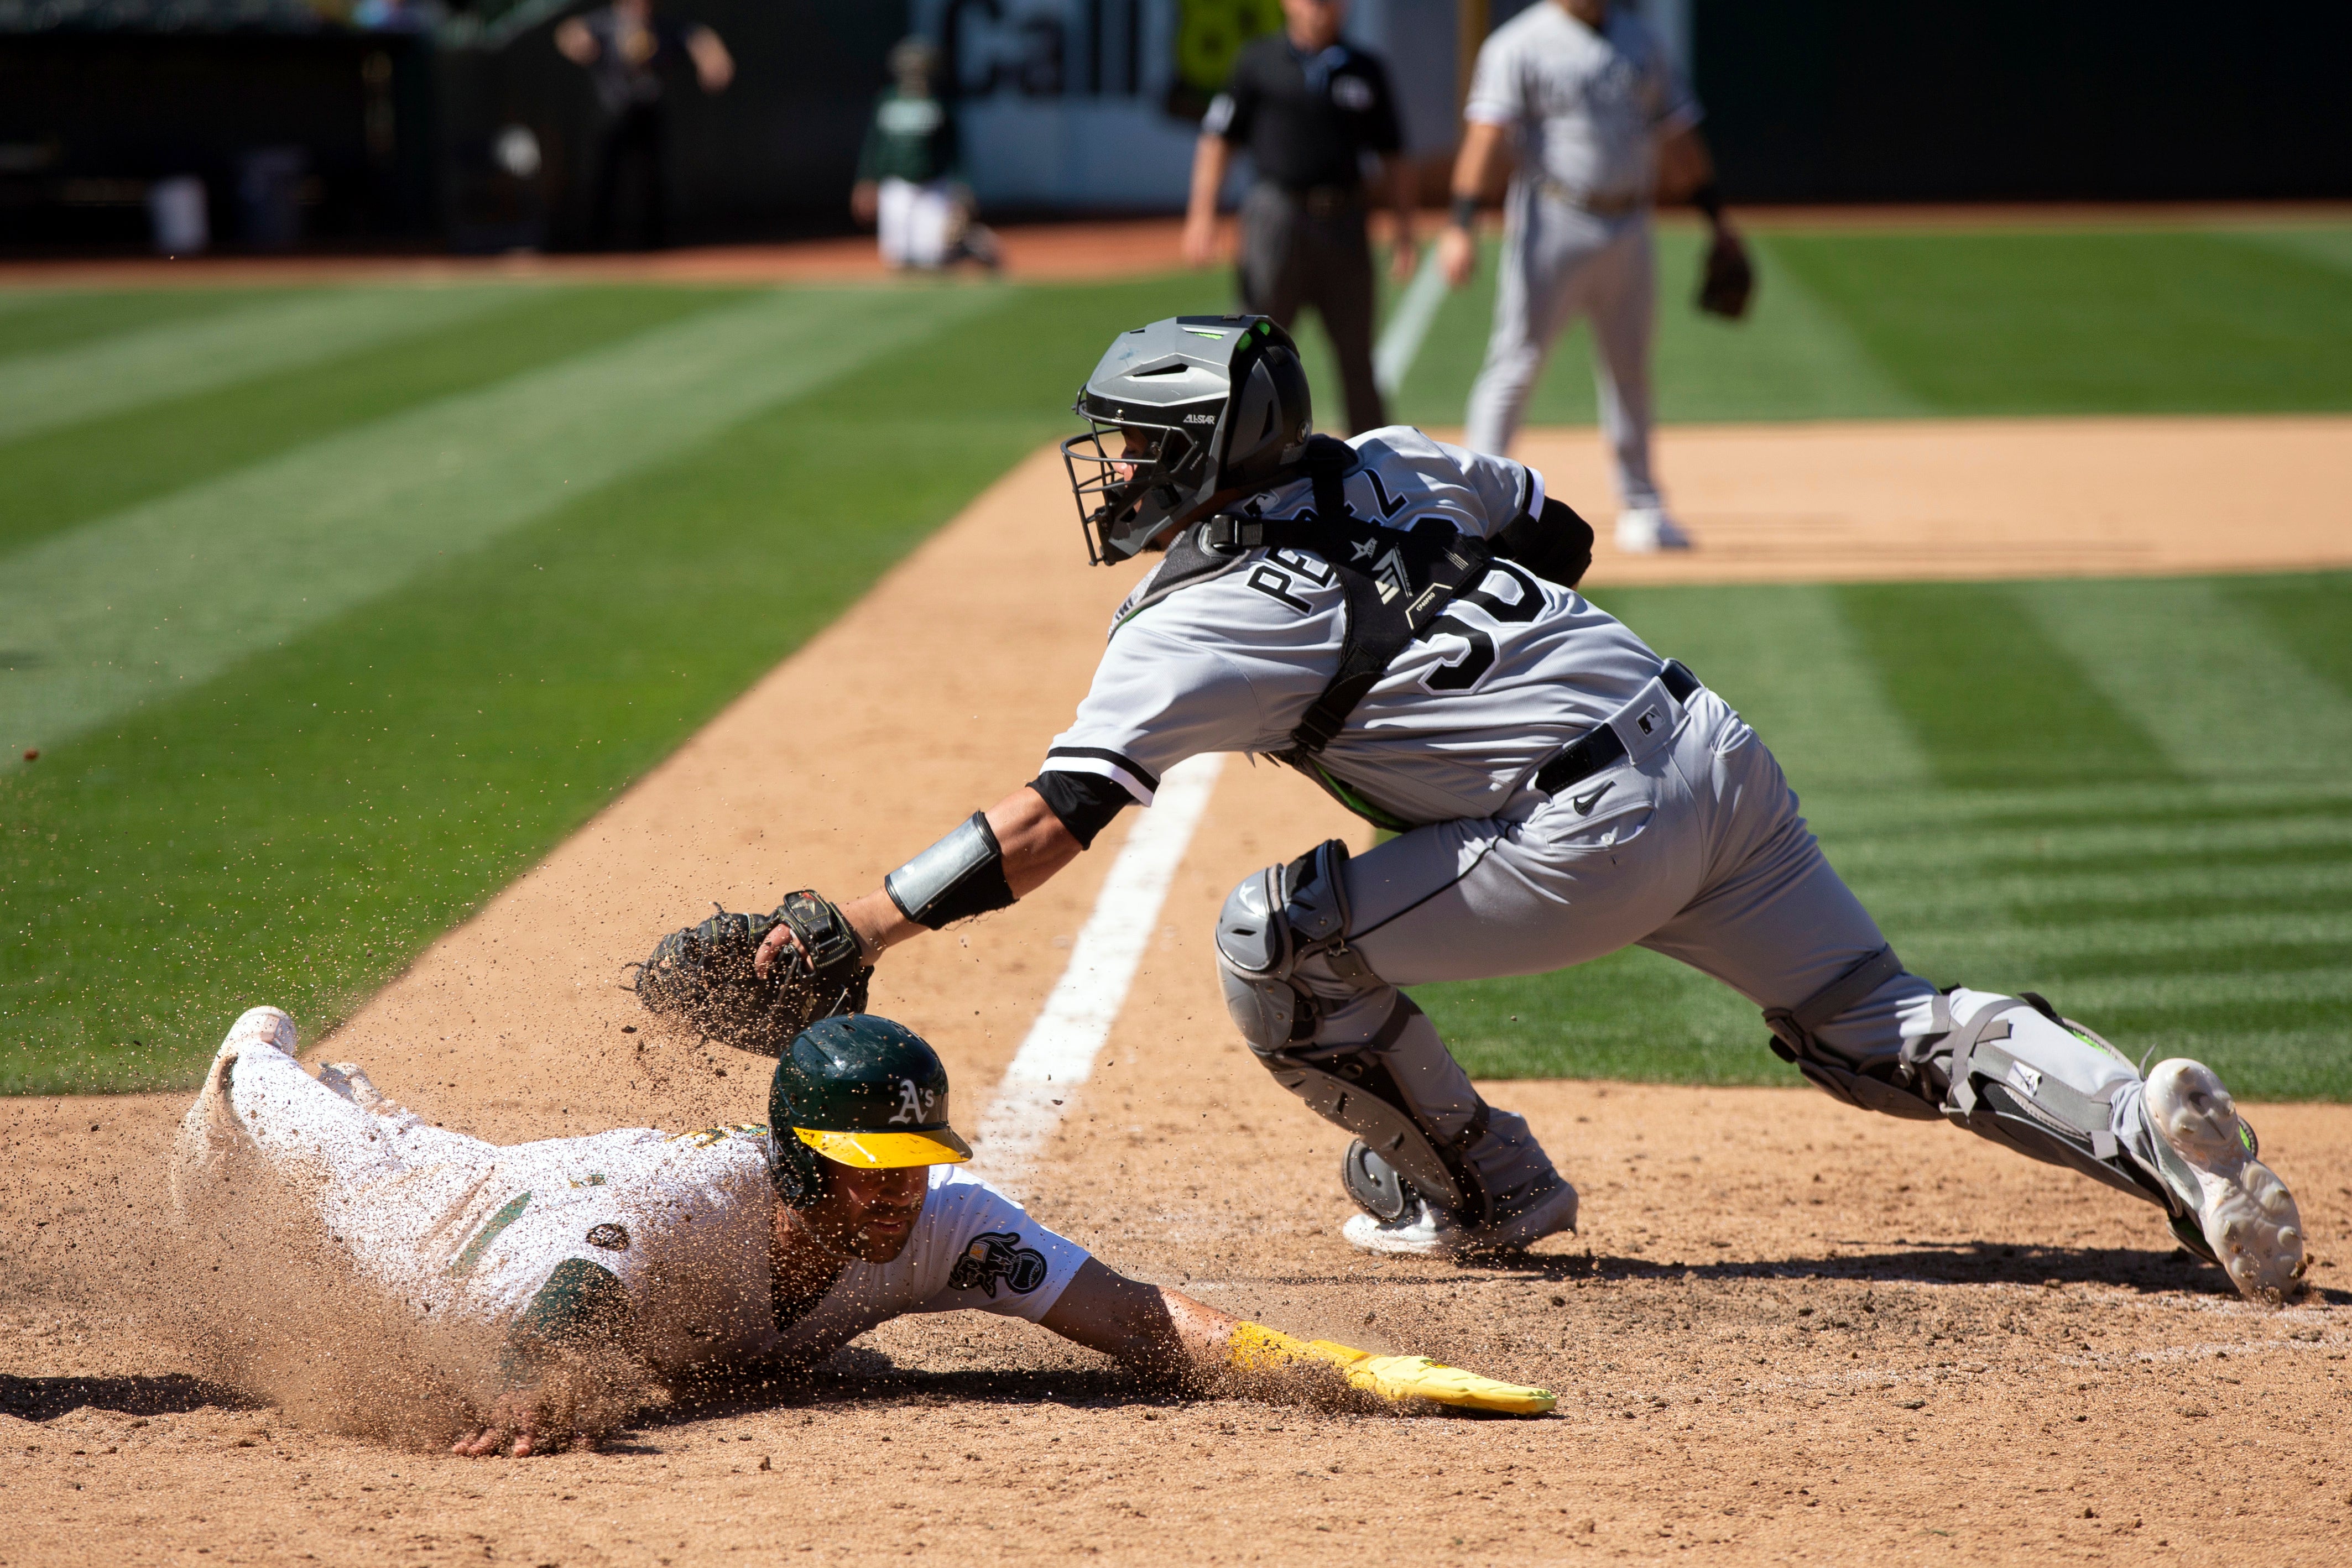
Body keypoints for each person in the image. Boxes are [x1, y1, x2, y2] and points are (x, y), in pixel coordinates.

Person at [749, 316, 2307, 1306]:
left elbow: (1055, 817)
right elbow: (1546, 520)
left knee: (1271, 942)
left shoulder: (1198, 615)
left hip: (1579, 834)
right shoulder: (1381, 462)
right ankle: (2142, 1122)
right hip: (1702, 741)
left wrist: (858, 920)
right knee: (1867, 1017)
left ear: (1205, 455)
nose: (1119, 473)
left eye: (1144, 446)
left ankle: (1479, 1188)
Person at [170, 1006, 1551, 1456]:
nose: (895, 1193)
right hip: (468, 1231)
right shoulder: (664, 1205)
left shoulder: (939, 1224)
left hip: (560, 1212)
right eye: (861, 1167)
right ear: (790, 1156)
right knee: (348, 1148)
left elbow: (1126, 1316)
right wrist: (541, 1392)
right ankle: (258, 1065)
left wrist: (1320, 1365)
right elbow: (568, 1307)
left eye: (911, 1163)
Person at [1440, 0, 1748, 553]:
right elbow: (1485, 134)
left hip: (1630, 225)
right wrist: (1461, 223)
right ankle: (1474, 506)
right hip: (1552, 220)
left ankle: (1641, 507)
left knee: (1629, 367)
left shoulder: (1640, 40)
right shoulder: (1518, 43)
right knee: (1515, 361)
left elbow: (1676, 132)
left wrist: (1714, 218)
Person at [1180, 0, 1415, 437]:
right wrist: (1201, 215)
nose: (1321, 8)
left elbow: (1393, 157)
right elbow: (1218, 139)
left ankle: (1375, 460)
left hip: (1345, 223)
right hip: (1276, 218)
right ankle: (1236, 453)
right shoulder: (1257, 61)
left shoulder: (1365, 69)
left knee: (1357, 353)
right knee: (1252, 347)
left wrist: (1404, 233)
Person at [555, 0, 733, 251]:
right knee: (607, 180)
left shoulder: (660, 25)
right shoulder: (606, 22)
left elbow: (698, 37)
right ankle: (597, 244)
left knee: (653, 180)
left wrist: (713, 60)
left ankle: (655, 244)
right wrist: (578, 43)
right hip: (613, 114)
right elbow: (570, 32)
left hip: (649, 112)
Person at [851, 37, 999, 271]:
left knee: (934, 258)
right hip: (896, 186)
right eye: (911, 68)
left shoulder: (940, 103)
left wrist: (962, 188)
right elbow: (874, 145)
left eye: (920, 69)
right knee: (898, 259)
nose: (915, 74)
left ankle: (973, 245)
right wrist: (866, 180)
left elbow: (956, 149)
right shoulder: (887, 100)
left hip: (933, 186)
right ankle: (964, 246)